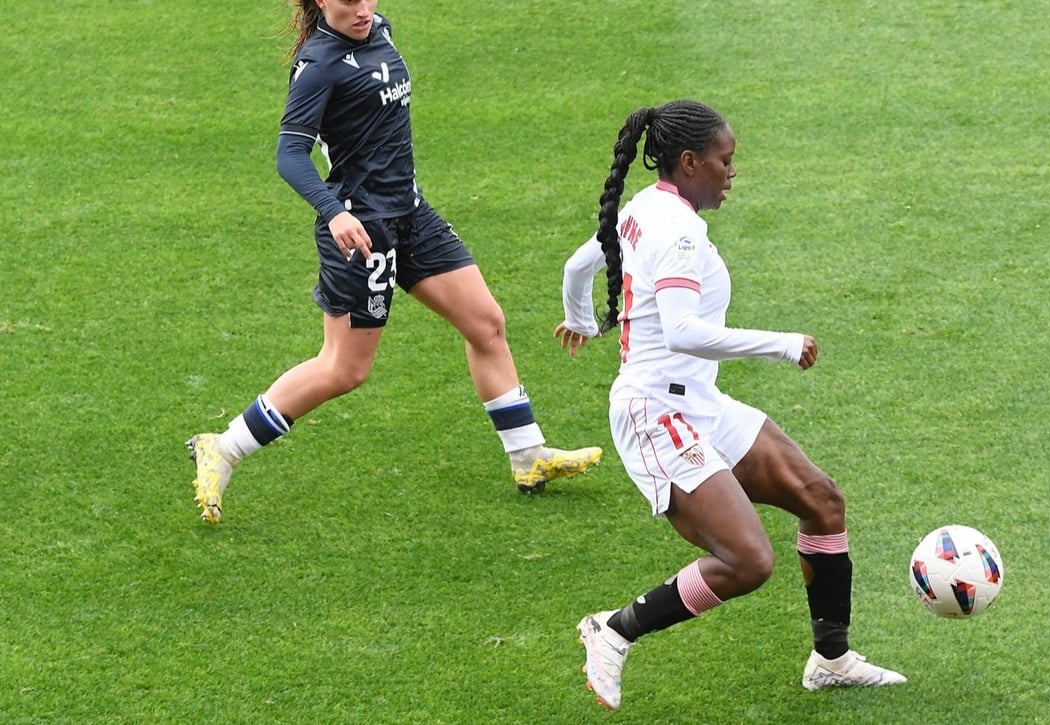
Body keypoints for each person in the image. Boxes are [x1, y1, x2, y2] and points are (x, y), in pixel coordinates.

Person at [185, 0, 601, 524]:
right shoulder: (318, 66)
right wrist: (334, 213)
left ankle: (528, 456)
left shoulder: (380, 30)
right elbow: (290, 155)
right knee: (344, 368)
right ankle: (223, 447)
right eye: (348, 0)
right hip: (361, 230)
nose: (362, 8)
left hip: (411, 213)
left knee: (486, 323)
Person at [554, 100, 906, 710]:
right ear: (689, 162)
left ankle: (832, 659)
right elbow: (685, 330)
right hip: (655, 416)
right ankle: (612, 630)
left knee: (821, 500)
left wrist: (581, 318)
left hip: (699, 404)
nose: (731, 171)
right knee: (746, 560)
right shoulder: (678, 230)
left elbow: (579, 263)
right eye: (725, 159)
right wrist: (782, 344)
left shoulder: (645, 206)